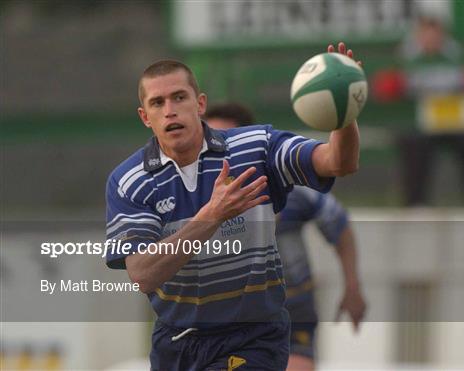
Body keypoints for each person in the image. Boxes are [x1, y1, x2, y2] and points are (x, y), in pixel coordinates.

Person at [105, 42, 362, 370]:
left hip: (253, 336)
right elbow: (142, 274)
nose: (170, 110)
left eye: (179, 97)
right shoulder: (129, 180)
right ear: (145, 117)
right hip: (177, 342)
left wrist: (344, 114)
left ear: (200, 104)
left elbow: (337, 162)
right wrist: (212, 216)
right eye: (158, 102)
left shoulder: (256, 147)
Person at [206, 103, 367, 371]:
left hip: (291, 306)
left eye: (226, 140)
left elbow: (339, 225)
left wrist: (352, 286)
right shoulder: (192, 197)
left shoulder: (290, 188)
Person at [372, 15, 464, 206]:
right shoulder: (405, 59)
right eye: (426, 35)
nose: (431, 40)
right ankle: (415, 206)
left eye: (435, 35)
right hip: (419, 125)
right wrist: (402, 83)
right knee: (413, 143)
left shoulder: (455, 56)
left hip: (455, 123)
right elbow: (384, 89)